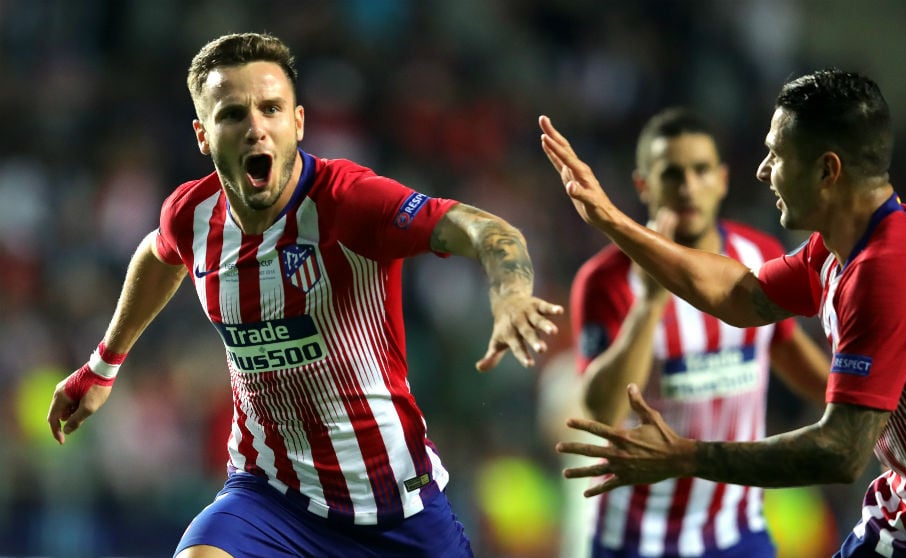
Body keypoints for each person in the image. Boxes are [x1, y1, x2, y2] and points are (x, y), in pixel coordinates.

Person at [45, 32, 563, 558]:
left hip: (394, 511)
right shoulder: (191, 215)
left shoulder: (348, 202)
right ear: (203, 135)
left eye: (271, 109)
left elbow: (486, 230)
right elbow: (158, 256)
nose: (255, 129)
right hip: (269, 497)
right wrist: (102, 366)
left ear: (297, 122)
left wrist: (512, 294)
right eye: (232, 115)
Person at [541, 69, 906, 557]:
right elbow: (744, 295)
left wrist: (685, 455)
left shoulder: (893, 274)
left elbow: (840, 452)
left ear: (827, 171)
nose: (762, 170)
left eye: (776, 155)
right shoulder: (837, 250)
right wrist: (610, 219)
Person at [570, 107, 830, 558]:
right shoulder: (606, 280)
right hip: (635, 537)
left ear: (723, 179)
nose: (688, 186)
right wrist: (650, 304)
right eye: (672, 173)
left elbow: (785, 348)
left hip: (737, 530)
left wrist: (873, 409)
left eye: (701, 170)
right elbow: (603, 410)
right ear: (643, 186)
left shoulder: (759, 256)